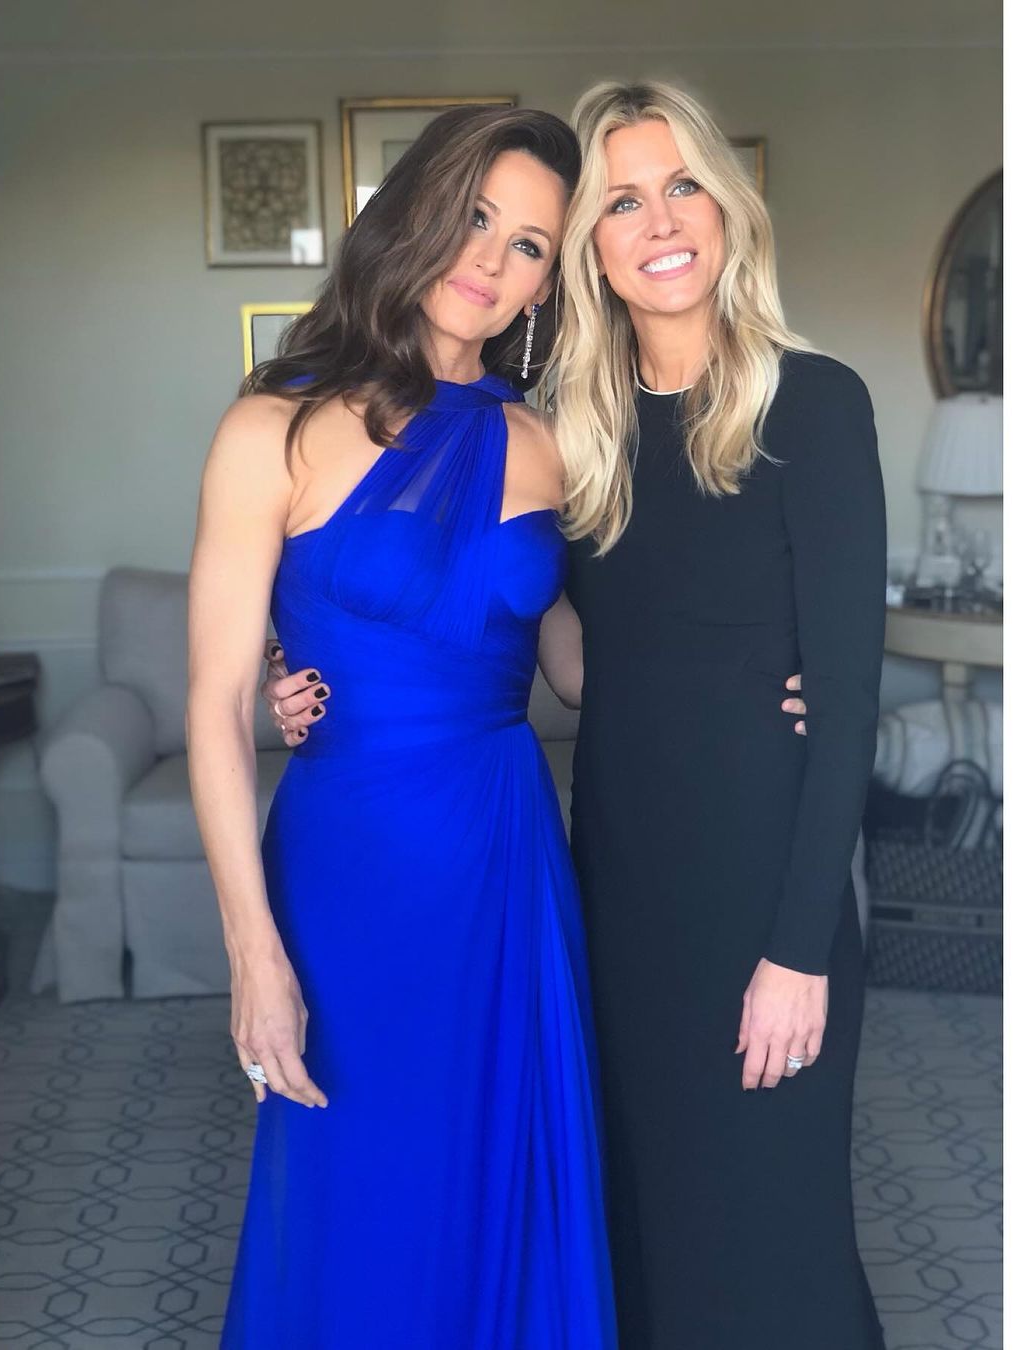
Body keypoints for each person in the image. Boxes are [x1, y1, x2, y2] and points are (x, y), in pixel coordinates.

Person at [264, 78, 886, 1350]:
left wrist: (800, 951)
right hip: (609, 889)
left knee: (779, 1241)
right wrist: (311, 655)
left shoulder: (817, 403)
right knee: (637, 1237)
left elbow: (850, 704)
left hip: (762, 893)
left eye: (684, 186)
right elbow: (554, 654)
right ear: (588, 254)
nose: (660, 222)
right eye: (620, 202)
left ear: (728, 208)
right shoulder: (572, 433)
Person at [187, 105, 618, 1349]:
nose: (492, 258)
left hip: (505, 857)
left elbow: (579, 669)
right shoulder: (272, 423)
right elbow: (213, 701)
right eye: (476, 216)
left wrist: (752, 676)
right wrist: (254, 957)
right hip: (349, 868)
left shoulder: (548, 439)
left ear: (549, 282)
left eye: (530, 244)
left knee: (503, 1175)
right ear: (417, 208)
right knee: (361, 1194)